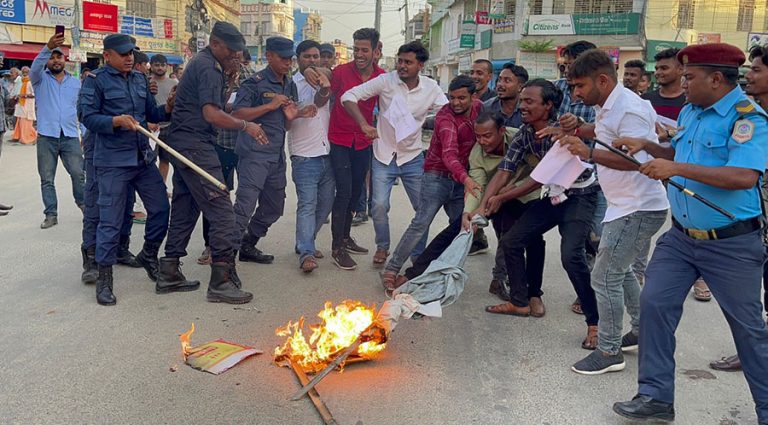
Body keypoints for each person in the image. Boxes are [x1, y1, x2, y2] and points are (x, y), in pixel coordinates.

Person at [611, 43, 768, 424]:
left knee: (748, 331)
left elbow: (743, 176)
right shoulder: (690, 111)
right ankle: (655, 397)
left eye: (689, 76)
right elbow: (678, 154)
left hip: (731, 243)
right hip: (681, 238)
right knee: (654, 306)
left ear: (716, 79)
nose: (683, 83)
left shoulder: (748, 119)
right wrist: (649, 146)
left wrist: (677, 169)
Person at [558, 49, 669, 375]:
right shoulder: (606, 105)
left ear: (603, 80)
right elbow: (604, 134)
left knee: (604, 276)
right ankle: (641, 330)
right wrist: (577, 130)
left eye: (579, 86)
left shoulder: (631, 109)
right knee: (617, 273)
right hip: (625, 205)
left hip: (638, 207)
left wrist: (588, 152)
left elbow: (638, 162)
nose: (575, 93)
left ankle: (609, 352)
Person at [478, 79, 601, 349]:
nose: (522, 106)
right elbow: (504, 170)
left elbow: (537, 179)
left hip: (580, 197)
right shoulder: (524, 134)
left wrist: (500, 197)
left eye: (529, 101)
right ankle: (522, 301)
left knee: (571, 256)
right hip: (554, 197)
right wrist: (483, 205)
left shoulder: (565, 128)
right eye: (522, 100)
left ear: (548, 106)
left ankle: (595, 323)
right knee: (512, 241)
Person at [162, 22, 264, 305]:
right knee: (222, 212)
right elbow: (211, 115)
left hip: (184, 142)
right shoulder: (208, 67)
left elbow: (215, 108)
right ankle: (220, 281)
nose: (235, 57)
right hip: (195, 144)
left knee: (185, 205)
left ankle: (169, 270)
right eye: (231, 52)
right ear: (216, 43)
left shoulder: (209, 65)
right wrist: (246, 126)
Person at [78, 34, 179, 306]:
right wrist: (115, 121)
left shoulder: (138, 80)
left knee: (160, 209)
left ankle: (148, 254)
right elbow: (87, 116)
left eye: (131, 53)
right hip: (112, 162)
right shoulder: (95, 81)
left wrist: (168, 106)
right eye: (122, 53)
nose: (129, 58)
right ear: (107, 55)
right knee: (110, 221)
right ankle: (105, 278)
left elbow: (152, 114)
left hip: (142, 159)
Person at [341, 40, 447, 270]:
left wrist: (426, 124)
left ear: (420, 65)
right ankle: (382, 246)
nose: (402, 66)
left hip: (412, 157)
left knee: (423, 207)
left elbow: (446, 113)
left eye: (408, 62)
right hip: (383, 155)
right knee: (378, 205)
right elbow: (348, 96)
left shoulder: (431, 88)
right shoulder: (385, 81)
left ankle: (418, 254)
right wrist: (363, 124)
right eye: (399, 61)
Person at [380, 74, 478, 288]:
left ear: (473, 97)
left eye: (462, 98)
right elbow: (449, 154)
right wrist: (467, 179)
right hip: (438, 176)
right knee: (421, 223)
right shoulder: (445, 118)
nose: (456, 103)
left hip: (463, 178)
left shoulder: (480, 109)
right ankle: (392, 269)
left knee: (461, 228)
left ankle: (445, 271)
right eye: (452, 97)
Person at [708, 43, 768, 373]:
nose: (749, 76)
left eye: (757, 69)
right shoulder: (747, 112)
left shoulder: (755, 118)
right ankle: (753, 353)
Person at [310, 28, 385, 270]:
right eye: (356, 49)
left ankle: (345, 237)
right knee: (343, 191)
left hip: (363, 142)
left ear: (376, 50)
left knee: (355, 193)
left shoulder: (381, 76)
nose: (360, 54)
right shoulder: (341, 72)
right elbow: (323, 73)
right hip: (340, 140)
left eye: (365, 50)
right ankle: (337, 248)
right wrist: (315, 72)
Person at [231, 36, 310, 266]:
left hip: (276, 154)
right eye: (283, 58)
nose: (288, 63)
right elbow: (236, 115)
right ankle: (226, 261)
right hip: (254, 154)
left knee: (274, 206)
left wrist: (292, 116)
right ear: (269, 56)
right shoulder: (254, 82)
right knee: (244, 207)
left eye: (290, 58)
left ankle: (248, 244)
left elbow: (286, 123)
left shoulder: (289, 84)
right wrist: (269, 105)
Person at [556, 40, 604, 316]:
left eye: (571, 61)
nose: (566, 67)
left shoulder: (604, 93)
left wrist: (582, 128)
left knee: (599, 235)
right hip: (567, 175)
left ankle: (595, 292)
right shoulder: (560, 88)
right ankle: (585, 288)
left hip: (600, 173)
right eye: (564, 62)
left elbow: (610, 132)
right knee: (575, 236)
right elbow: (552, 122)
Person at [197, 49, 254, 266]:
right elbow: (210, 108)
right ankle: (210, 245)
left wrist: (236, 108)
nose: (235, 61)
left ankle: (237, 241)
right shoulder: (213, 74)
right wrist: (227, 107)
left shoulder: (249, 76)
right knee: (216, 194)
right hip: (220, 144)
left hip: (245, 145)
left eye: (239, 57)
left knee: (246, 195)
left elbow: (250, 106)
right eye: (232, 56)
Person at [470, 63, 529, 257]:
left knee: (516, 227)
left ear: (520, 86)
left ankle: (506, 269)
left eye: (507, 80)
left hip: (523, 176)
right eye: (500, 79)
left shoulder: (527, 110)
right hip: (495, 172)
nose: (500, 84)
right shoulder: (488, 107)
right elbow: (482, 140)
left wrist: (512, 185)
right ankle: (501, 266)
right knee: (498, 220)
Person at [287, 40, 334, 273]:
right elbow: (287, 119)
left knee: (325, 204)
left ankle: (306, 241)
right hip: (304, 155)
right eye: (307, 56)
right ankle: (306, 252)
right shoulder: (291, 85)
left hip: (326, 153)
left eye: (316, 56)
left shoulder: (324, 79)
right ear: (298, 59)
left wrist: (324, 84)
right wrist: (299, 112)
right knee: (308, 204)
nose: (313, 60)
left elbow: (323, 99)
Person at [30, 34, 85, 230]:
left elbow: (81, 109)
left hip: (70, 135)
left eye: (58, 57)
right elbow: (36, 66)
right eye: (52, 57)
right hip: (47, 136)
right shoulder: (39, 79)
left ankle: (84, 206)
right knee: (47, 178)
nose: (55, 60)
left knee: (78, 173)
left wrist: (84, 133)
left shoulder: (75, 83)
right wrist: (47, 47)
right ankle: (51, 214)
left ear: (65, 60)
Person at [149, 53, 178, 184]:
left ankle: (162, 186)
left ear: (167, 66)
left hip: (169, 126)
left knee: (165, 159)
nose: (160, 68)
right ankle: (152, 186)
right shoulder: (147, 83)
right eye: (156, 65)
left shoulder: (174, 83)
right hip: (151, 127)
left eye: (162, 65)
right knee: (149, 159)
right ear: (151, 66)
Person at [12, 66, 37, 145]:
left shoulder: (31, 82)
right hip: (21, 105)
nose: (24, 74)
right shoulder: (22, 81)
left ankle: (31, 137)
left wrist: (24, 96)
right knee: (20, 123)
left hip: (28, 106)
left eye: (26, 72)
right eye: (23, 72)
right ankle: (18, 137)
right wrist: (17, 96)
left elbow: (34, 94)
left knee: (26, 124)